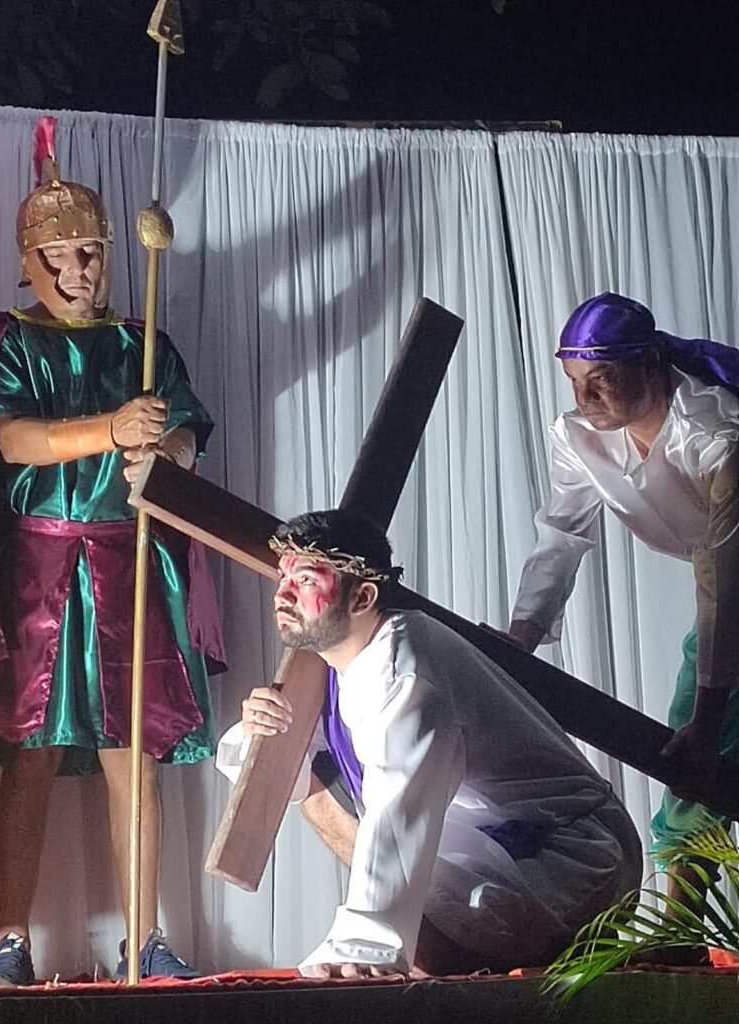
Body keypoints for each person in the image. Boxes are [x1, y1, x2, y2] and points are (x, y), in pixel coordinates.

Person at [0, 117, 225, 985]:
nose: (79, 271)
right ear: (29, 260)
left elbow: (189, 431)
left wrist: (166, 450)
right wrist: (109, 428)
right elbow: (12, 440)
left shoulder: (141, 338)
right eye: (62, 256)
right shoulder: (5, 336)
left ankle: (146, 939)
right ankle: (11, 938)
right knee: (30, 754)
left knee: (132, 753)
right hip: (41, 572)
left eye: (91, 253)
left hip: (129, 563)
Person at [217, 509, 642, 977]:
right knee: (320, 790)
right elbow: (287, 770)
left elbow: (399, 808)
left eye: (307, 579)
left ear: (363, 597)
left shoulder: (407, 670)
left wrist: (367, 945)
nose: (283, 592)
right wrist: (262, 722)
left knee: (414, 930)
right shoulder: (336, 665)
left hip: (572, 850)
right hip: (487, 840)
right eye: (283, 577)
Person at [509, 291, 739, 932]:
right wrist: (518, 639)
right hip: (726, 584)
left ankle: (680, 924)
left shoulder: (717, 430)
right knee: (702, 747)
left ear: (651, 364)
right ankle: (683, 924)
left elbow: (726, 575)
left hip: (735, 580)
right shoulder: (579, 436)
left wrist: (708, 713)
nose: (586, 400)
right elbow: (561, 534)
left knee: (703, 743)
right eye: (576, 383)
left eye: (602, 381)